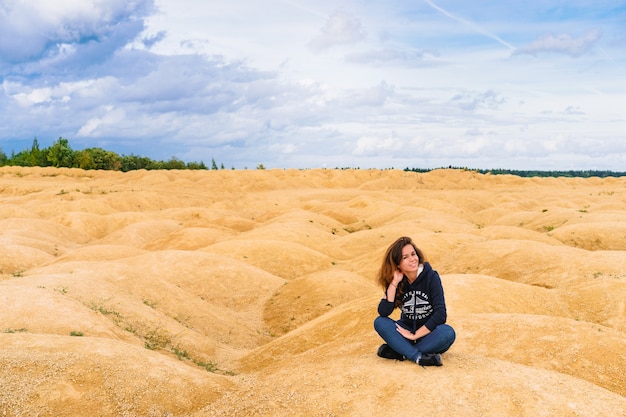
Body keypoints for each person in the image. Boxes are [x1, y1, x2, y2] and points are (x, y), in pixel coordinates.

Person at [373, 236, 456, 366]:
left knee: (448, 333)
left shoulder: (431, 277)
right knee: (380, 322)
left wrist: (415, 335)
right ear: (397, 264)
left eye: (413, 254)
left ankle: (401, 351)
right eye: (405, 257)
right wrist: (394, 283)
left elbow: (440, 315)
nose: (412, 259)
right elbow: (384, 312)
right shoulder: (398, 282)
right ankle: (418, 357)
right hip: (405, 330)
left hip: (428, 333)